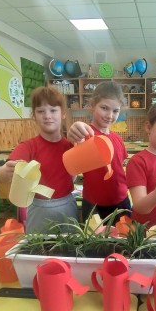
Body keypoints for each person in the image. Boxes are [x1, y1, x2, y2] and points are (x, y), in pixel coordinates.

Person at [0, 86, 77, 233]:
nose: (47, 115)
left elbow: (75, 174)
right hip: (39, 208)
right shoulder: (28, 146)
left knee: (70, 245)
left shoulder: (70, 147)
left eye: (53, 110)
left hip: (67, 205)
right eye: (41, 111)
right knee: (39, 246)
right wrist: (4, 171)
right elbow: (2, 175)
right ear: (34, 115)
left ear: (63, 114)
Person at [67, 82, 130, 221]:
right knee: (94, 236)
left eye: (115, 111)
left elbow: (120, 169)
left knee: (124, 235)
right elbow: (72, 169)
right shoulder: (85, 135)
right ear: (92, 105)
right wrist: (76, 130)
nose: (110, 115)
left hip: (121, 201)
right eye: (104, 108)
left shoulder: (118, 139)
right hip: (94, 205)